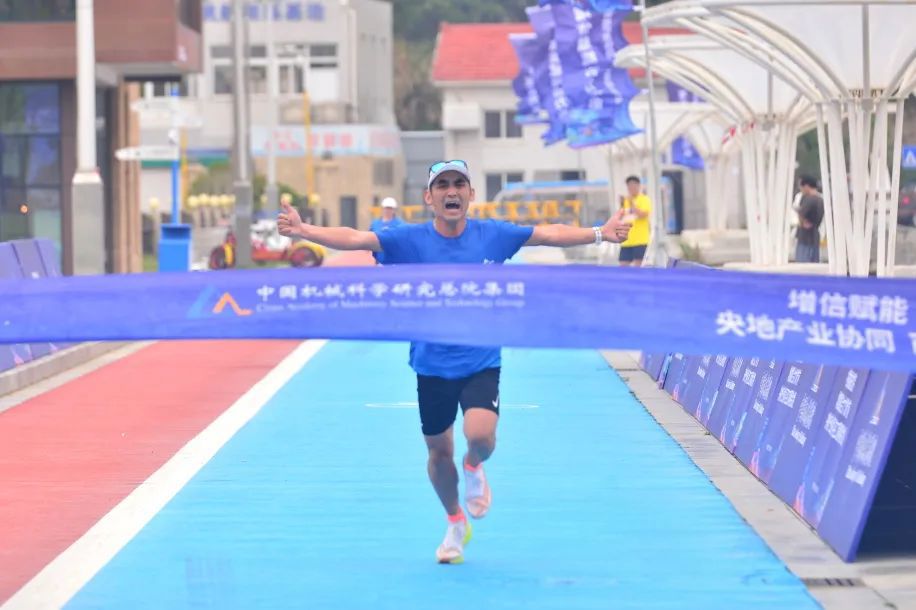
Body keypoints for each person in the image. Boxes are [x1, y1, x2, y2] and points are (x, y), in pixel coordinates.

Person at [277, 160, 631, 564]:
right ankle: (455, 521)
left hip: (480, 357)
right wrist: (305, 231)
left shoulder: (493, 235)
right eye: (442, 185)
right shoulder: (409, 240)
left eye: (459, 184)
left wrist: (601, 232)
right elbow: (357, 238)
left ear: (470, 194)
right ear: (429, 197)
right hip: (431, 364)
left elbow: (547, 233)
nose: (451, 191)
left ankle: (474, 466)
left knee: (479, 436)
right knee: (438, 455)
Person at [618, 175, 651, 267]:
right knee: (623, 265)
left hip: (640, 240)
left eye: (633, 185)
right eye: (629, 185)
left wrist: (632, 203)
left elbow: (643, 214)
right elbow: (622, 217)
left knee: (638, 266)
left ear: (638, 186)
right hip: (626, 240)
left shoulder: (644, 199)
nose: (631, 188)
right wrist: (621, 204)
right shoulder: (625, 200)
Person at [794, 175, 824, 263]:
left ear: (806, 186)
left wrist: (801, 220)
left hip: (804, 237)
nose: (801, 190)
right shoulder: (821, 200)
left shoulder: (808, 199)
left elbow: (802, 214)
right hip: (815, 237)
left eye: (801, 187)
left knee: (802, 265)